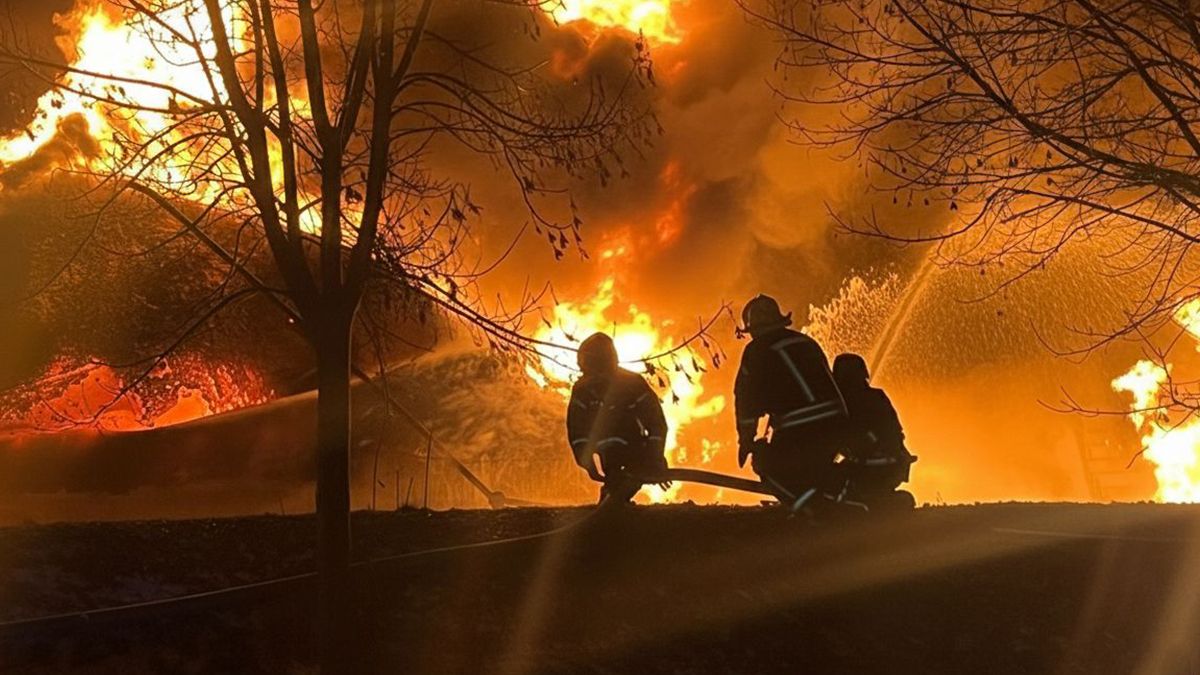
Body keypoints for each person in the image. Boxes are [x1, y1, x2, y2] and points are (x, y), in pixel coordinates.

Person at [734, 295, 850, 512]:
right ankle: (842, 496)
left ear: (754, 329)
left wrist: (747, 440)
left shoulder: (756, 351)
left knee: (766, 465)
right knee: (818, 469)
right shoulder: (807, 342)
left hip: (798, 429)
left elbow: (746, 402)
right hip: (838, 424)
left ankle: (815, 510)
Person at [566, 332, 671, 503]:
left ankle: (615, 498)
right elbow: (577, 432)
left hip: (636, 452)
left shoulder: (633, 384)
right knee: (616, 494)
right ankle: (614, 499)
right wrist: (586, 461)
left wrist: (654, 457)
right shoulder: (583, 390)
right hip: (608, 458)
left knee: (618, 494)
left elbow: (656, 424)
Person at [832, 353, 916, 511]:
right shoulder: (877, 396)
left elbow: (842, 439)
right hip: (893, 466)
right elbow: (894, 431)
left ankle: (864, 500)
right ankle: (878, 498)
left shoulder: (843, 402)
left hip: (868, 468)